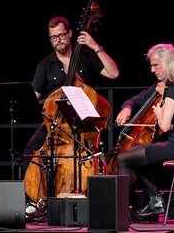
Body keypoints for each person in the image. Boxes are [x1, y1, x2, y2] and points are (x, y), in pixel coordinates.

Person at [21, 16, 119, 216]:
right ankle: (34, 199)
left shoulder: (86, 58)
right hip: (54, 123)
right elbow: (34, 96)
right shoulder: (45, 65)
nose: (58, 40)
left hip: (82, 124)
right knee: (30, 151)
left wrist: (95, 46)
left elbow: (113, 73)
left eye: (61, 35)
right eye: (53, 37)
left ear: (70, 34)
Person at [118, 46, 174, 222]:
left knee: (123, 158)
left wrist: (158, 113)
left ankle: (121, 213)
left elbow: (164, 126)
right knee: (137, 156)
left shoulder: (173, 90)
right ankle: (155, 199)